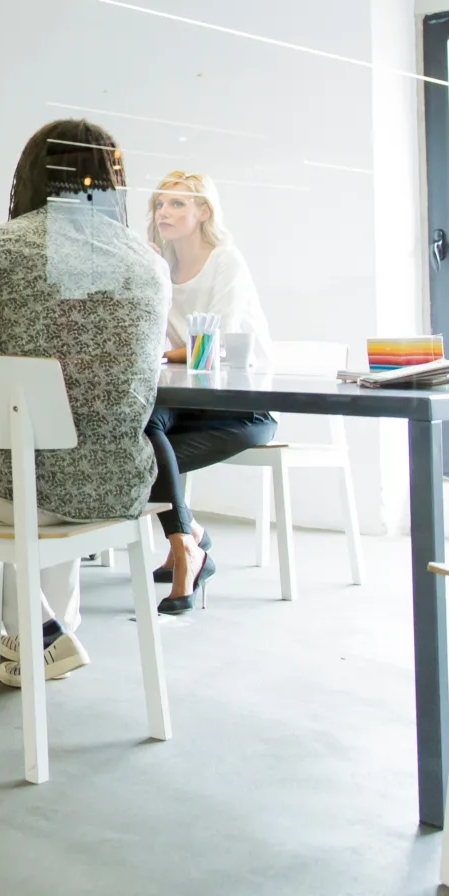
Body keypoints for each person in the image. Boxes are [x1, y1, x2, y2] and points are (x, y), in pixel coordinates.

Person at [0, 119, 170, 685]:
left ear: (30, 176)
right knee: (45, 469)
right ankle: (39, 642)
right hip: (116, 485)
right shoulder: (149, 263)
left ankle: (41, 632)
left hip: (15, 485)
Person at [144, 170, 278, 615]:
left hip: (238, 406)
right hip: (184, 399)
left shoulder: (226, 261)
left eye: (177, 204)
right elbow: (147, 336)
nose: (163, 212)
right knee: (139, 433)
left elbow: (212, 342)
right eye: (160, 204)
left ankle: (186, 546)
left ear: (204, 212)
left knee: (138, 461)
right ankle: (189, 541)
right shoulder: (156, 263)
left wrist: (167, 356)